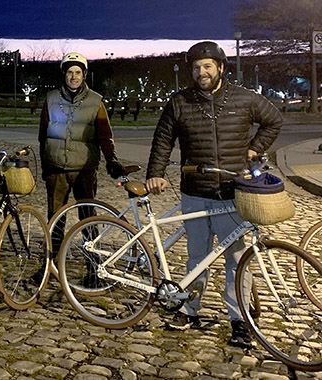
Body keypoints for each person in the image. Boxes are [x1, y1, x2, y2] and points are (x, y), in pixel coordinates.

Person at [145, 41, 282, 348]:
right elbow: (163, 139)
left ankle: (239, 319)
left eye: (207, 66)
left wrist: (254, 148)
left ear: (221, 67)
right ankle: (188, 310)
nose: (201, 72)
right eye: (196, 67)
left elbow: (274, 120)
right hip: (194, 191)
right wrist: (155, 173)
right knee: (197, 257)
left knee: (236, 258)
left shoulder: (245, 98)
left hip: (231, 193)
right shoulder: (180, 102)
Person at [38, 52, 124, 262]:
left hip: (84, 169)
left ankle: (93, 265)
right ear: (64, 74)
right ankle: (52, 262)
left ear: (84, 75)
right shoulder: (51, 99)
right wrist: (45, 165)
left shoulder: (96, 101)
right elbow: (43, 134)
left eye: (77, 72)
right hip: (57, 168)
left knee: (87, 217)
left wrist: (111, 159)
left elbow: (105, 135)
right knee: (55, 218)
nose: (73, 77)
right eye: (70, 72)